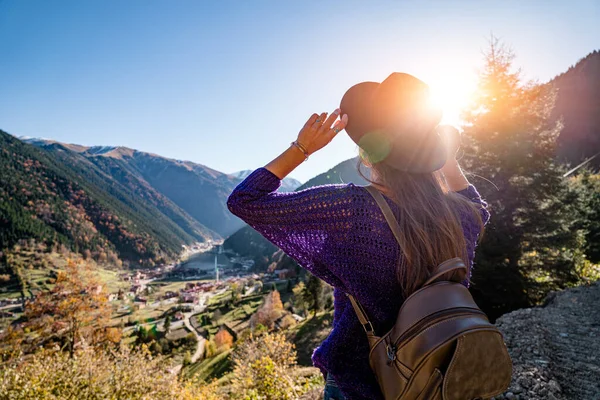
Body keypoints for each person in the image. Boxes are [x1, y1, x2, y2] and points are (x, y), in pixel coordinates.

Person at [227, 73, 490, 400]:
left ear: (368, 155)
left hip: (361, 382)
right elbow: (477, 204)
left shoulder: (353, 209)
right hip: (439, 374)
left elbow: (244, 200)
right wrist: (446, 157)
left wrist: (302, 148)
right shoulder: (459, 215)